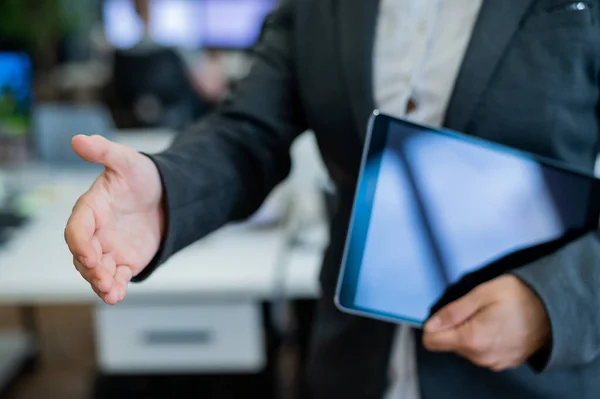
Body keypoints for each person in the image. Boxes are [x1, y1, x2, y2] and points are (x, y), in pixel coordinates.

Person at [64, 1, 600, 398]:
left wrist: (553, 303)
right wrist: (165, 190)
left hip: (533, 374)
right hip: (351, 362)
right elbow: (249, 130)